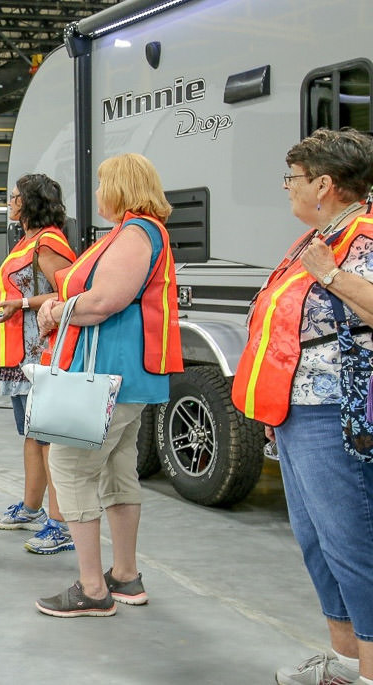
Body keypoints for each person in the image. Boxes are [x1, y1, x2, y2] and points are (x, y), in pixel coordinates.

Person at [231, 128, 373, 685]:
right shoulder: (324, 234)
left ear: (325, 184)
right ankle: (344, 662)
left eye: (293, 178)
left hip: (333, 413)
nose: (286, 188)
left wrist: (331, 275)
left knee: (352, 542)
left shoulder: (361, 235)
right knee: (318, 543)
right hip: (297, 410)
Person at [34, 153, 182, 617]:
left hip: (109, 375)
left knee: (71, 466)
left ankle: (93, 588)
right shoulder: (134, 232)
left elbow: (103, 302)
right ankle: (125, 575)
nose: (97, 195)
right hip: (123, 377)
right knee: (118, 469)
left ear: (120, 187)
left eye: (101, 185)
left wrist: (55, 311)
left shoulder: (138, 233)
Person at [0, 173, 75, 553]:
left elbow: (67, 291)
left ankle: (62, 523)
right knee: (32, 434)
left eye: (15, 196)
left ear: (30, 202)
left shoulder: (49, 243)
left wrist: (21, 304)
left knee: (49, 438)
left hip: (41, 354)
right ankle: (32, 508)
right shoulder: (28, 241)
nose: (10, 200)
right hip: (19, 356)